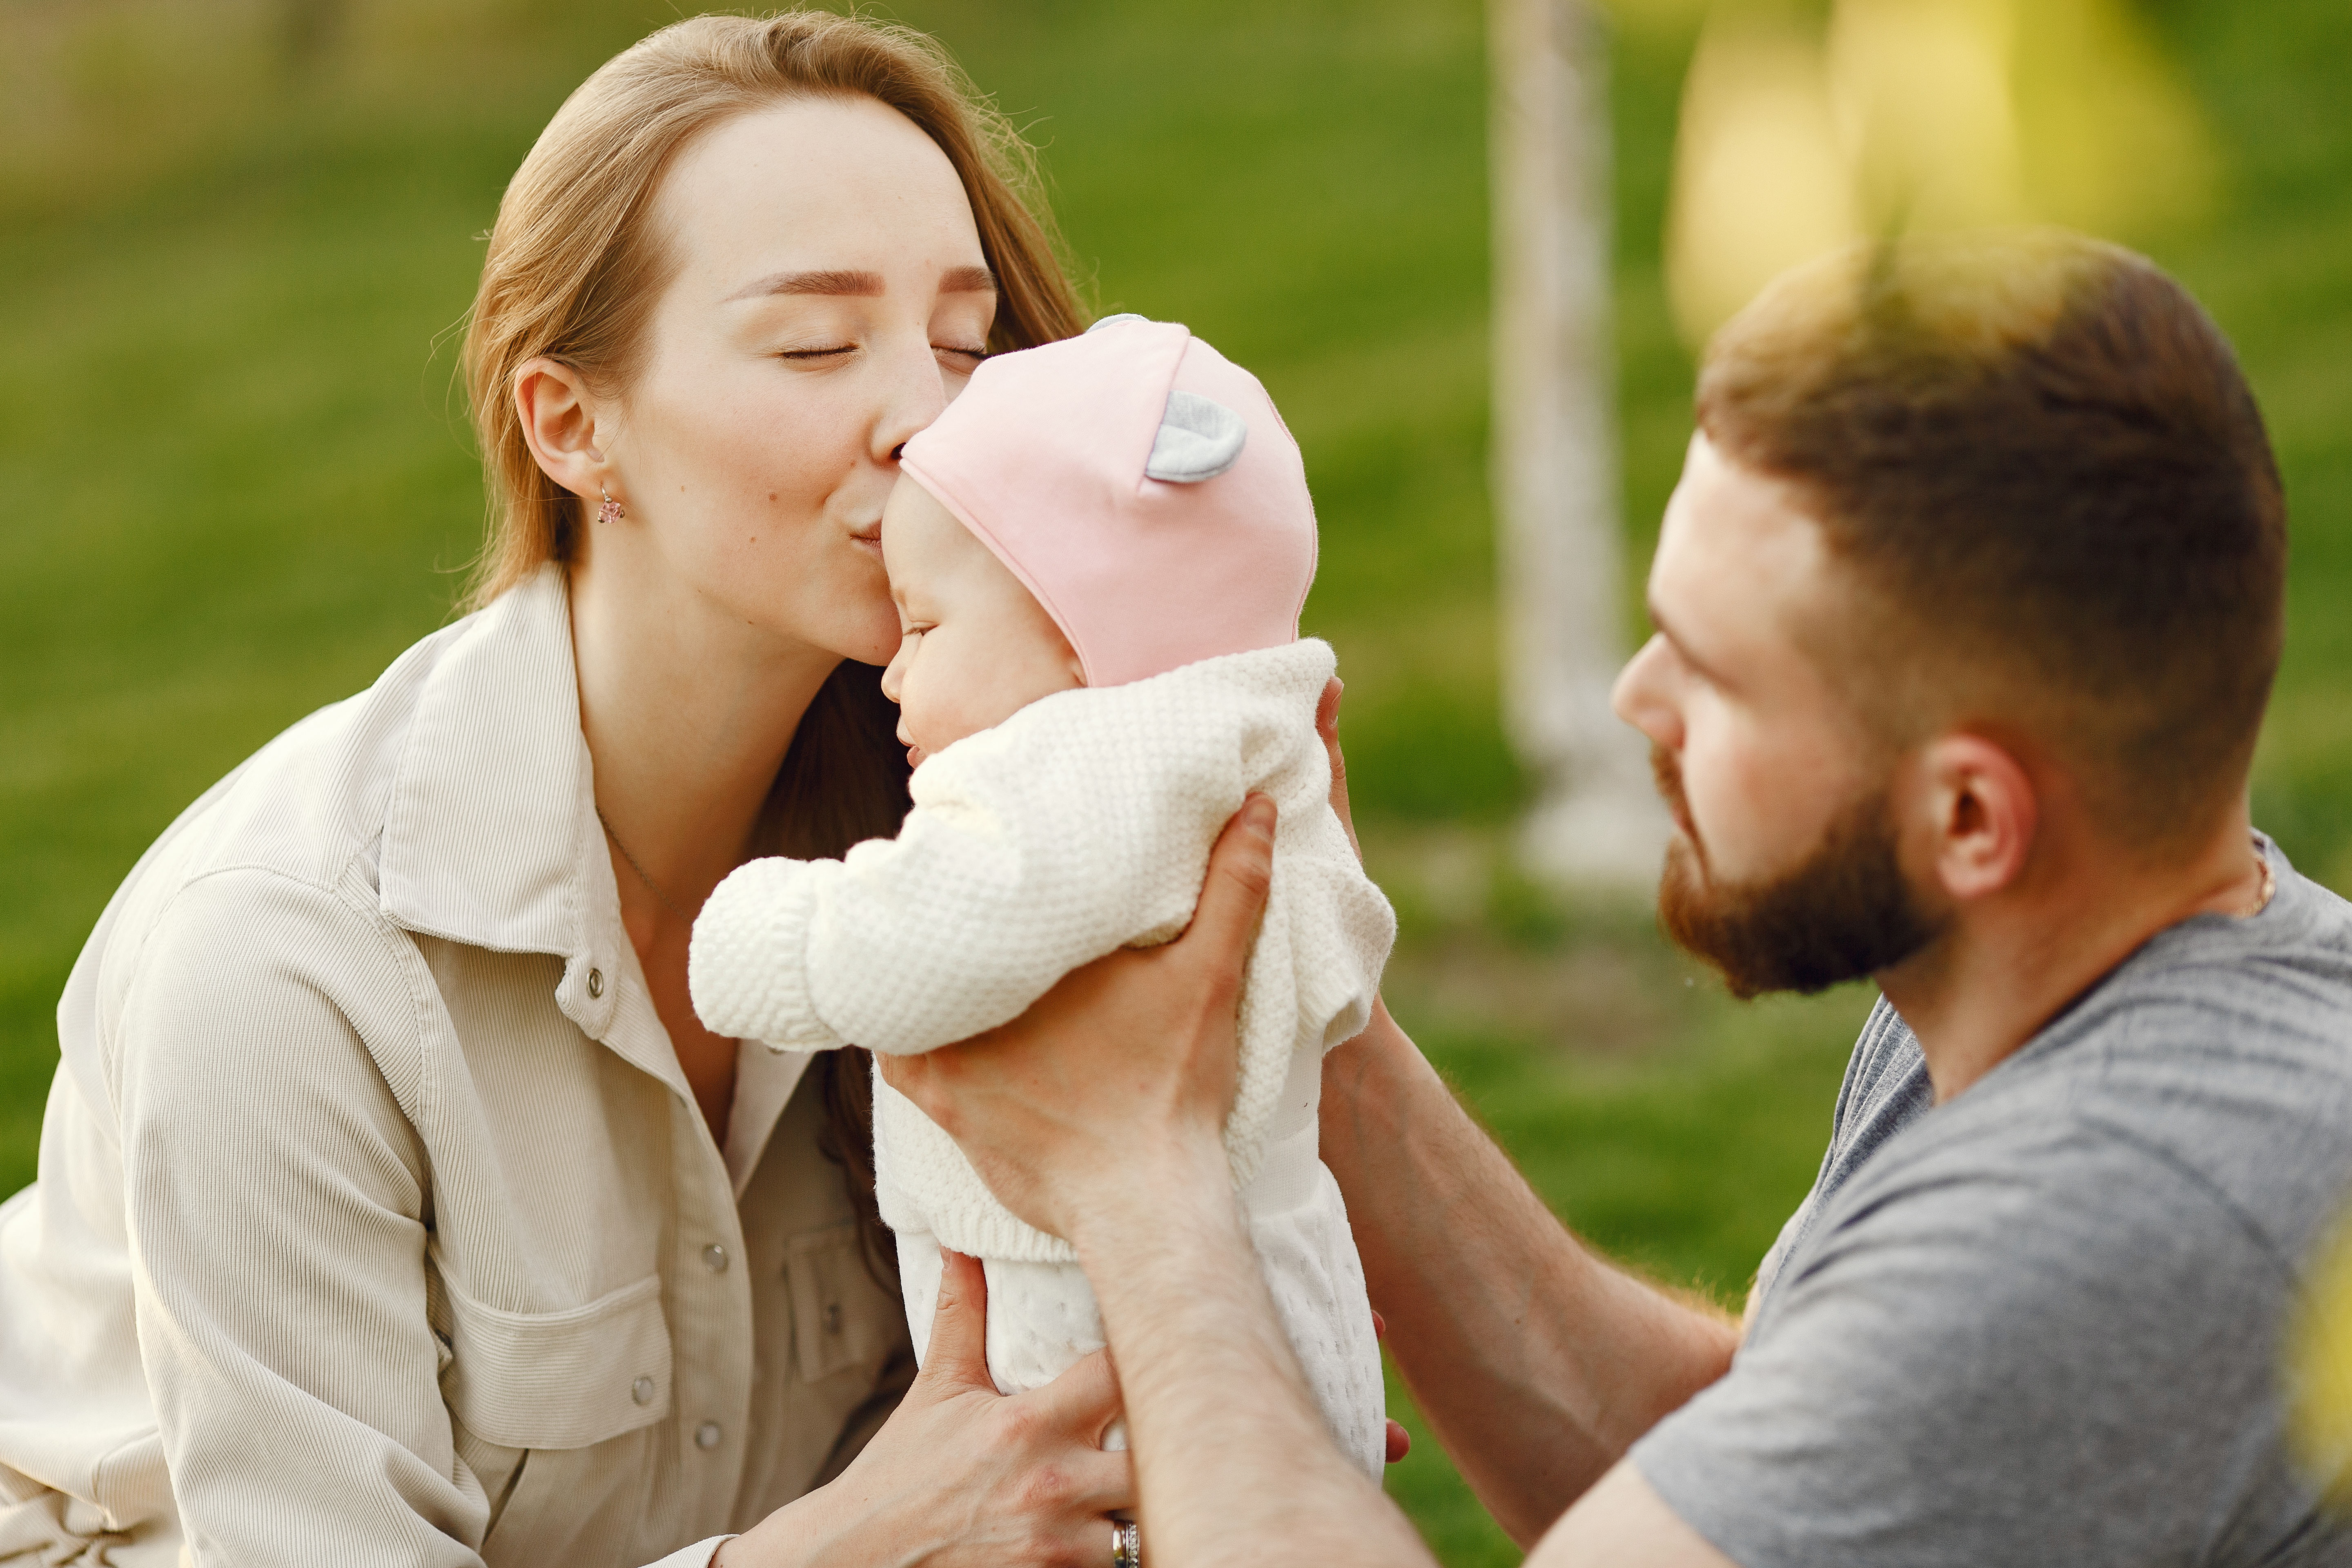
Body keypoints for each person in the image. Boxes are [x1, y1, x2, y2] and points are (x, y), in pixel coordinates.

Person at [887, 230, 2352, 1566]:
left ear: (1971, 816)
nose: (1635, 703)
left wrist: (1140, 1183)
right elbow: (1745, 1472)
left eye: (1713, 675)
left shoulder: (2112, 1220)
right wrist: (1293, 1000)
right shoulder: (2056, 977)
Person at [0, 13, 1141, 1567]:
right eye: (815, 344)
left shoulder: (979, 842)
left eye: (965, 338)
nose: (933, 420)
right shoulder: (282, 961)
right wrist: (853, 1549)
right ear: (570, 426)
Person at [686, 316, 1395, 1474]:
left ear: (1078, 636)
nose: (893, 669)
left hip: (1101, 1326)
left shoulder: (1085, 775)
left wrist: (764, 937)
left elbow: (929, 939)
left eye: (924, 625)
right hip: (1266, 1279)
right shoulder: (1240, 750)